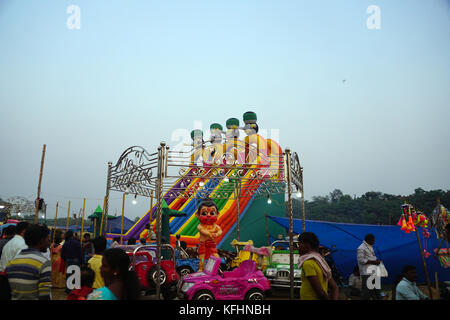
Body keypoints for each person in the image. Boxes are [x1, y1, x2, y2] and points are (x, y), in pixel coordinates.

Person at [5, 224, 51, 300]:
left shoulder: (12, 262)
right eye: (47, 238)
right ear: (41, 240)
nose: (49, 242)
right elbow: (44, 295)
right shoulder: (44, 263)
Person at [297, 232, 339, 300]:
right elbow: (334, 287)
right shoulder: (321, 261)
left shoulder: (308, 263)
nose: (298, 248)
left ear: (307, 245)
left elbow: (320, 292)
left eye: (299, 245)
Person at [0, 222, 29, 300]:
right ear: (24, 231)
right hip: (13, 280)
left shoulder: (10, 243)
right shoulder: (23, 245)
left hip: (3, 277)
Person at [357, 234, 382, 300]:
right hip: (367, 273)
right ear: (369, 240)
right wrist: (373, 262)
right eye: (373, 240)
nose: (374, 242)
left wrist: (377, 260)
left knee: (377, 292)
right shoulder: (361, 248)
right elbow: (361, 260)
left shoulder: (370, 247)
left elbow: (373, 257)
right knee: (366, 293)